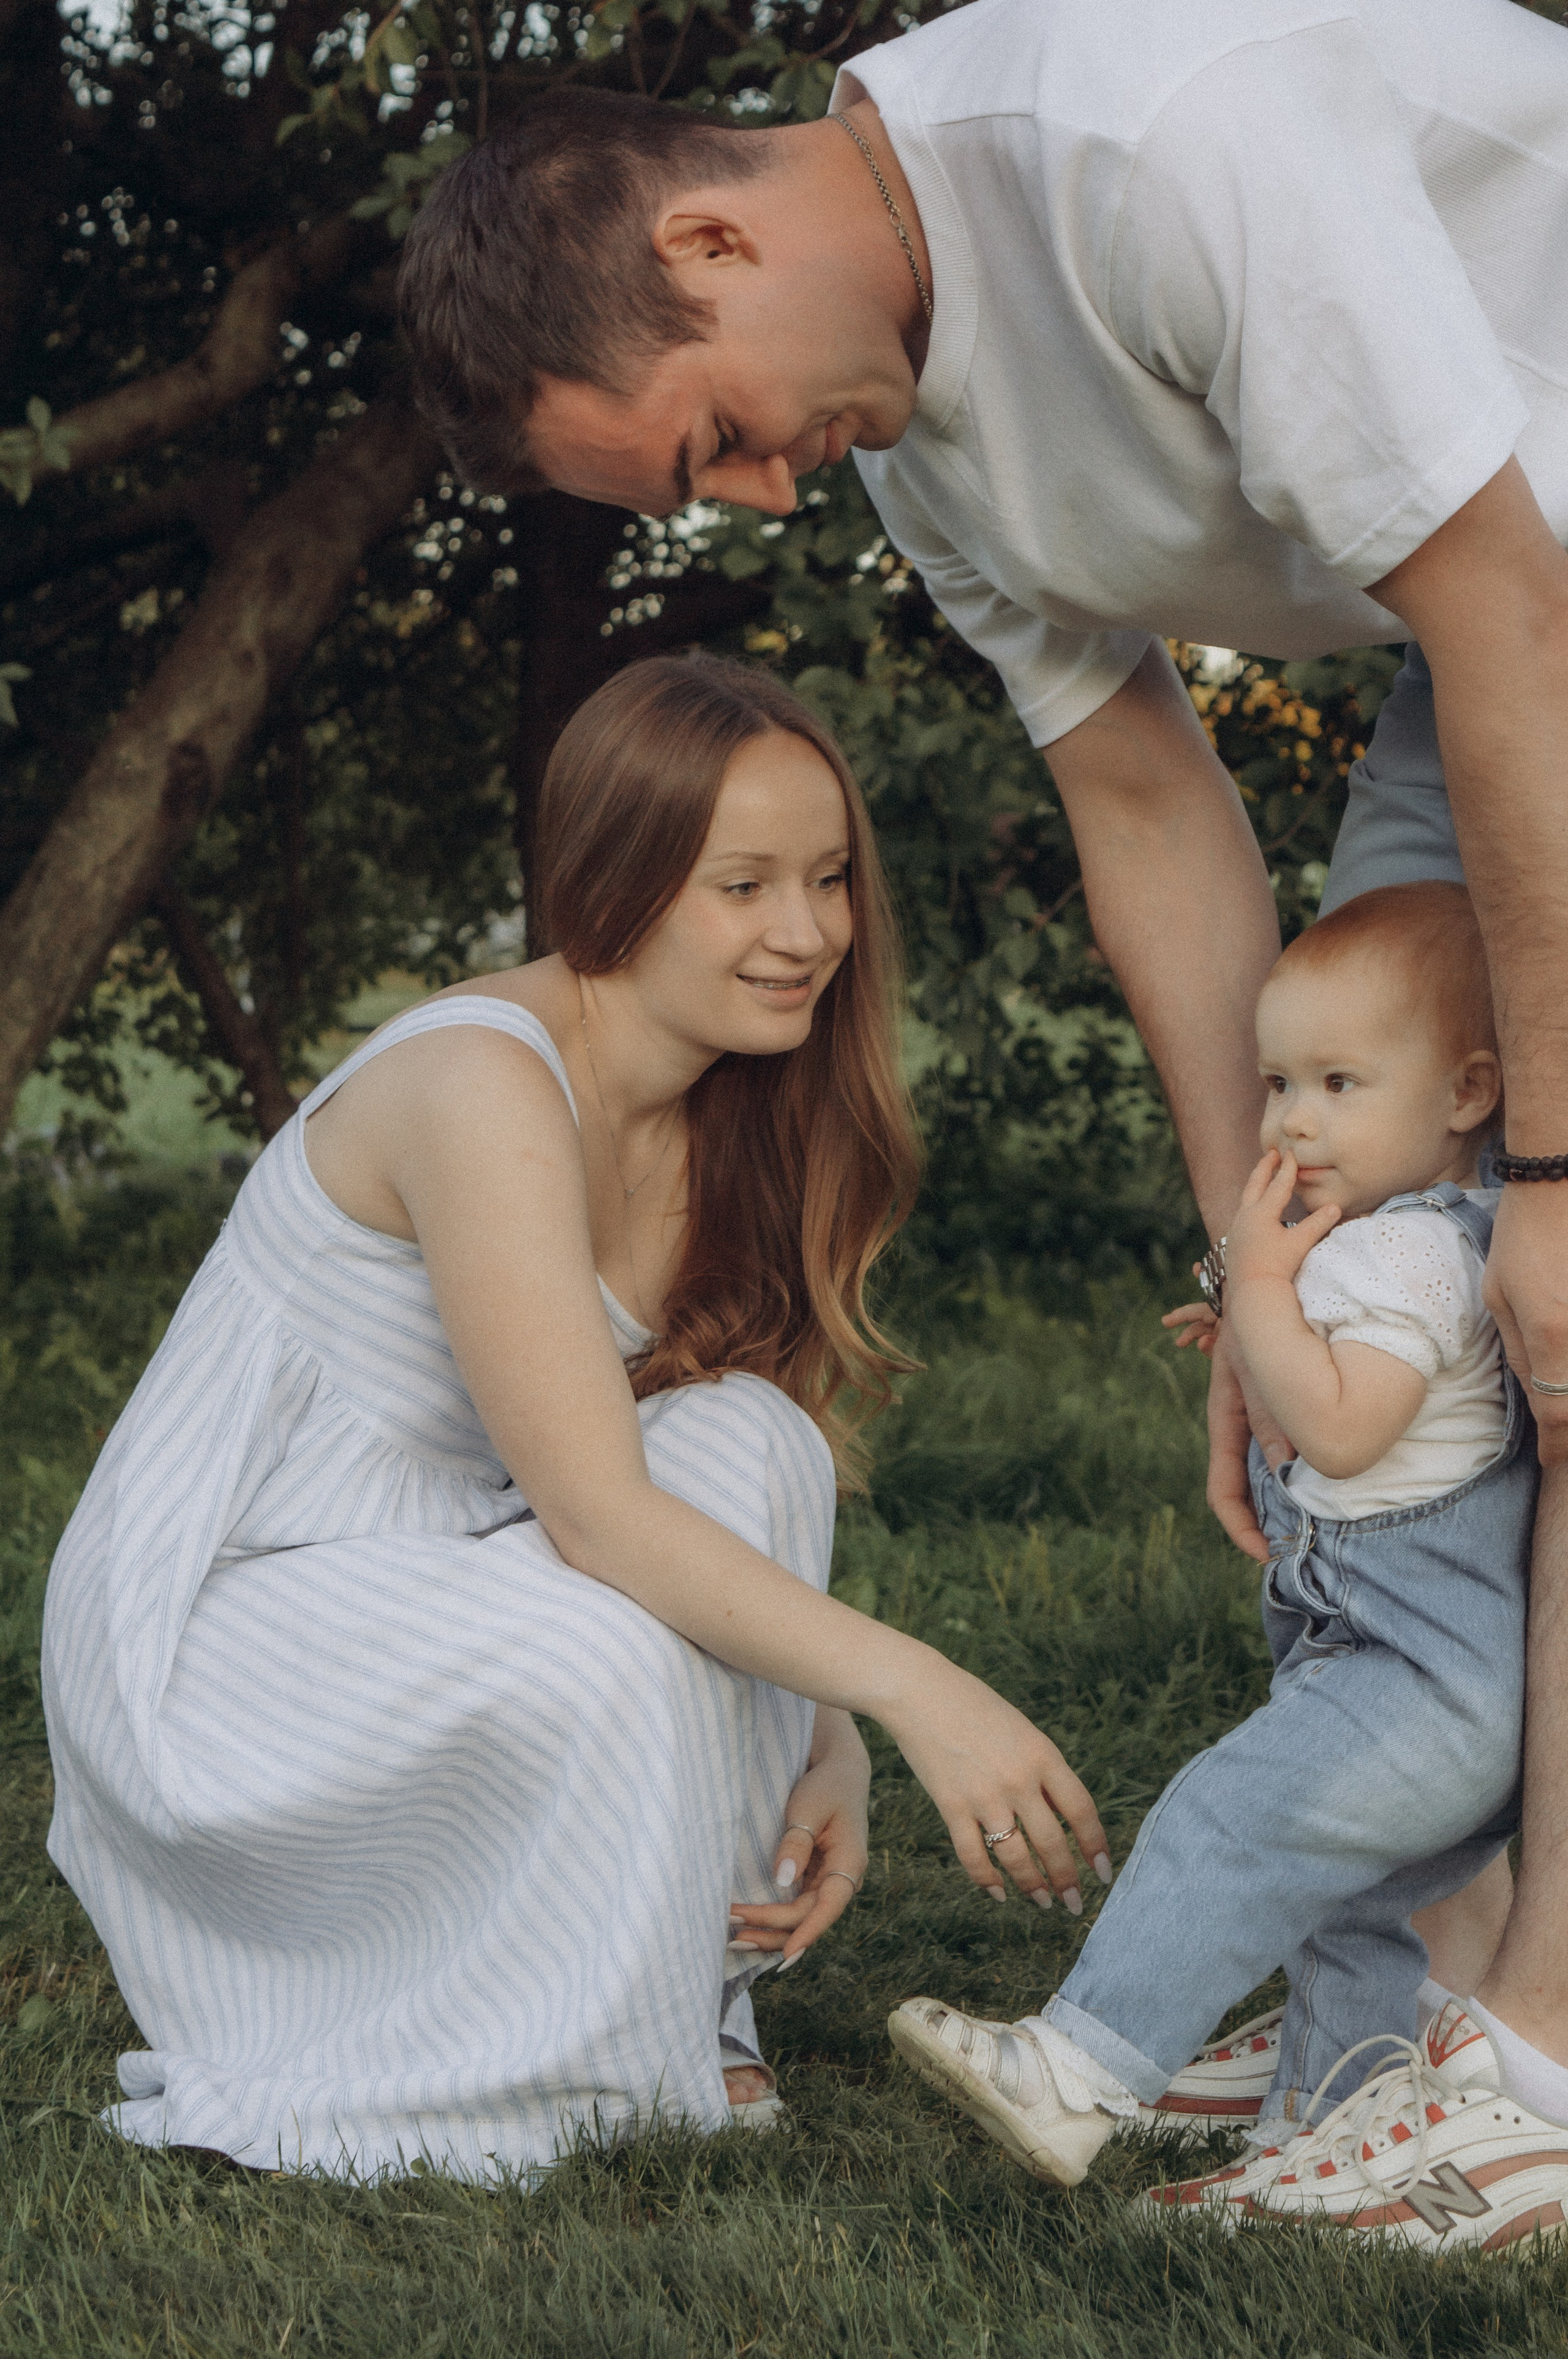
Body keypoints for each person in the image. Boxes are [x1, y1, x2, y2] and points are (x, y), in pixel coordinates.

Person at [396, 0, 1568, 2206]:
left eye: (714, 441)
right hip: (1484, 625)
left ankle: (1533, 2076)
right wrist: (1263, 1259)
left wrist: (1565, 1177)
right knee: (1426, 1224)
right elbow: (1146, 807)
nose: (763, 494)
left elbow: (1512, 606)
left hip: (1534, 598)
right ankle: (1410, 1987)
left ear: (718, 243)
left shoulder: (1157, 143)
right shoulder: (914, 431)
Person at [41, 653, 1109, 2183]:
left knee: (754, 1435)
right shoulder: (478, 1083)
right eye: (741, 886)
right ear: (617, 881)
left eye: (823, 879)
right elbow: (599, 1520)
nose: (804, 934)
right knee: (608, 1636)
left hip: (448, 1547)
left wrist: (828, 1748)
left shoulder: (731, 1100)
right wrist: (918, 1695)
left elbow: (695, 1479)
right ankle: (564, 2072)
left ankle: (690, 1997)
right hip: (227, 1622)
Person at [886, 884, 1568, 2252]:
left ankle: (1078, 2071)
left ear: (1464, 1093)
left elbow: (1339, 1424)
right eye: (1273, 1085)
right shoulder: (1395, 1243)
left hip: (1416, 1695)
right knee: (1335, 1910)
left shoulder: (1418, 1257)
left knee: (1218, 1821)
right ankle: (1325, 2120)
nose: (1289, 1123)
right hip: (1437, 1705)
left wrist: (1260, 1299)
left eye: (1334, 1083)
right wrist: (1263, 1308)